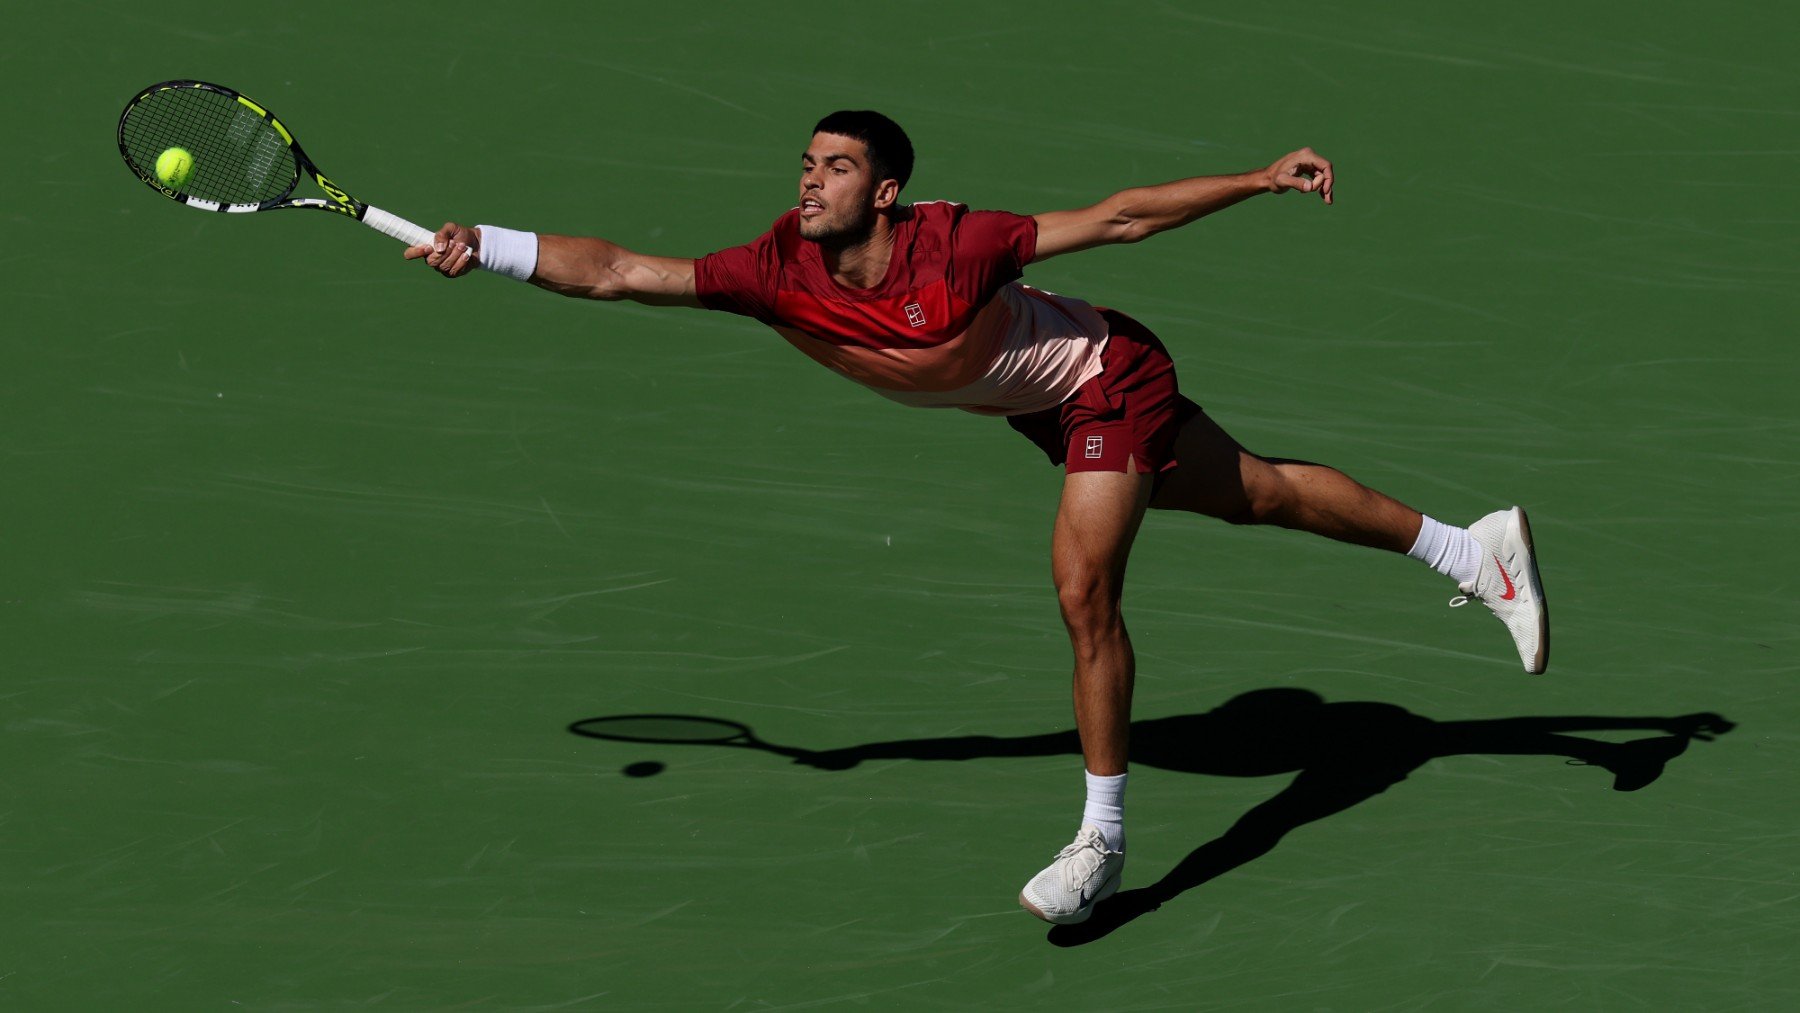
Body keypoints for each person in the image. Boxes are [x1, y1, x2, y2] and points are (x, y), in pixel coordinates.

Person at [404, 110, 1549, 926]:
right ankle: (1473, 545)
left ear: (885, 192)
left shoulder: (958, 244)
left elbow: (1120, 219)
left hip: (1107, 376)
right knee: (1262, 494)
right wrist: (488, 246)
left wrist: (1257, 177)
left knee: (1080, 588)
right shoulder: (772, 267)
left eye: (836, 167)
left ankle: (1100, 837)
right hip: (1039, 407)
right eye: (805, 162)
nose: (809, 182)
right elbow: (614, 271)